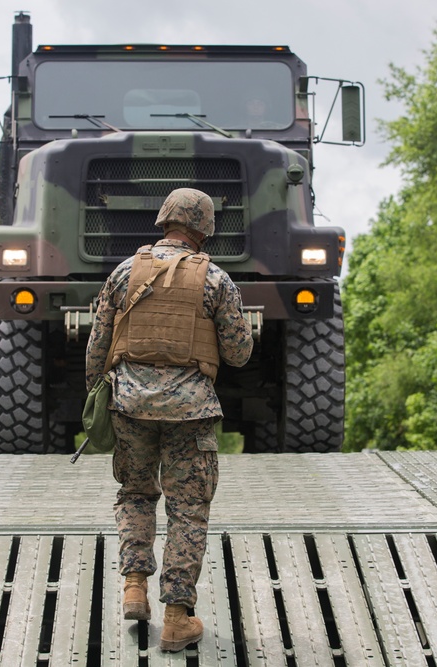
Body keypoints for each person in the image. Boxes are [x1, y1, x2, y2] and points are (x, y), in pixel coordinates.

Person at [84, 187, 253, 652]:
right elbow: (239, 354)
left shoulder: (124, 272)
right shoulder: (216, 280)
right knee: (188, 509)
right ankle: (177, 618)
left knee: (136, 494)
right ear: (205, 228)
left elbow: (97, 345)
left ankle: (134, 586)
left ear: (164, 221)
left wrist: (100, 398)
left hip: (130, 407)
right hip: (191, 412)